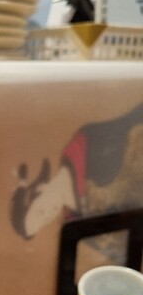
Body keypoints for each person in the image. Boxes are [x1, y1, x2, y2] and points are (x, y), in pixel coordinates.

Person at [10, 100, 143, 240]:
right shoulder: (75, 221)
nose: (48, 216)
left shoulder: (78, 149)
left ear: (38, 189)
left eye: (40, 212)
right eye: (44, 223)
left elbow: (133, 125)